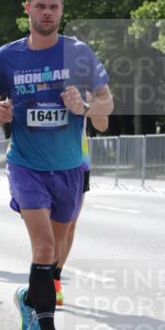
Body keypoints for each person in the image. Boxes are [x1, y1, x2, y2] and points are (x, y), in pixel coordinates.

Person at [0, 0, 113, 330]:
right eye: (40, 6)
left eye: (54, 6)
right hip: (26, 164)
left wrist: (84, 105)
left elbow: (106, 106)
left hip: (70, 166)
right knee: (43, 249)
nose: (47, 13)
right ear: (27, 9)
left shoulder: (79, 52)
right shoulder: (9, 56)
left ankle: (29, 297)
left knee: (56, 253)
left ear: (61, 9)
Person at [54, 98, 109, 305]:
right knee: (47, 227)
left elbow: (102, 124)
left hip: (78, 161)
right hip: (40, 160)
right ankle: (42, 273)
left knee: (69, 225)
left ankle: (54, 278)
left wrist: (90, 101)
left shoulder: (89, 83)